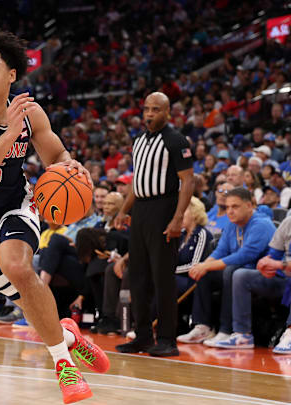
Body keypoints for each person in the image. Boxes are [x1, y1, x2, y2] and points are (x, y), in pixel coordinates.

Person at [0, 28, 108, 403]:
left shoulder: (29, 112)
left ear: (12, 74)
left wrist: (71, 166)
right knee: (25, 298)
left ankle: (64, 366)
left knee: (17, 265)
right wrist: (8, 133)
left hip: (16, 204)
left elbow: (56, 156)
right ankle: (67, 336)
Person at [114, 92, 195, 357]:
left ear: (167, 112)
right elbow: (138, 182)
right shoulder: (139, 141)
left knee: (163, 277)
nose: (149, 114)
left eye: (156, 109)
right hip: (141, 211)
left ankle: (168, 339)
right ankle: (143, 337)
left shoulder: (176, 140)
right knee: (137, 276)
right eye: (147, 109)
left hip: (164, 208)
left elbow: (188, 181)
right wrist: (124, 211)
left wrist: (178, 217)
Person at [180, 188, 276, 346]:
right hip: (241, 271)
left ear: (249, 205)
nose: (230, 211)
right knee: (207, 272)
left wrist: (207, 266)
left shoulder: (262, 224)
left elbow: (244, 256)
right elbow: (220, 251)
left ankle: (226, 330)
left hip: (265, 274)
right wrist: (203, 265)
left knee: (231, 271)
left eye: (235, 207)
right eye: (227, 207)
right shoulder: (232, 224)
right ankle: (202, 326)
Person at [213, 216, 291, 351]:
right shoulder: (288, 222)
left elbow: (278, 262)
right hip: (283, 279)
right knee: (241, 275)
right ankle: (242, 335)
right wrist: (265, 264)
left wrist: (280, 264)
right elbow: (273, 254)